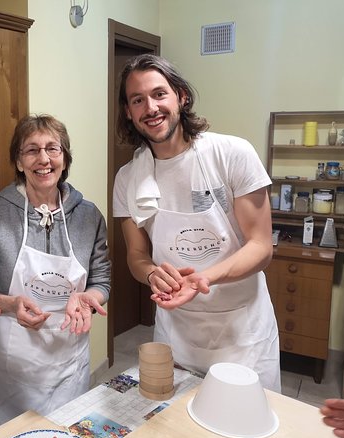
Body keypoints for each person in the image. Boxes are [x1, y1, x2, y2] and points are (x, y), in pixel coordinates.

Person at [112, 54, 281, 391]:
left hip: (242, 333)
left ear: (181, 96)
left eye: (160, 94)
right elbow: (136, 254)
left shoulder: (232, 154)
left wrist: (202, 279)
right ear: (129, 114)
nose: (151, 107)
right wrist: (150, 273)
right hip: (177, 333)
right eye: (137, 100)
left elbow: (262, 247)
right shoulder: (127, 179)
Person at [0, 114, 111, 429]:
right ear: (18, 160)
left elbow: (102, 281)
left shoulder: (89, 216)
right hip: (12, 365)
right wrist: (11, 304)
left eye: (53, 149)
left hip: (68, 362)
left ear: (64, 160)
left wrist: (86, 299)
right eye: (32, 150)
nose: (44, 159)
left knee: (65, 433)